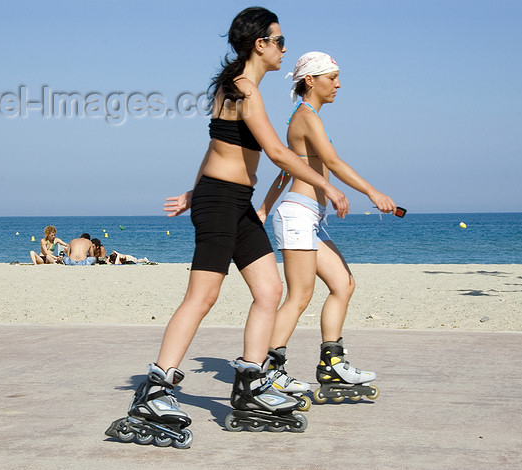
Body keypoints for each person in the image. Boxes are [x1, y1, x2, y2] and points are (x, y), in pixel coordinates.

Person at [106, 8, 349, 447]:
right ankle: (155, 391)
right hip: (221, 204)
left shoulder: (239, 87)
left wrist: (192, 190)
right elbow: (276, 152)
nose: (284, 48)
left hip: (233, 202)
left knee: (270, 291)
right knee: (203, 296)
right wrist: (324, 186)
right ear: (260, 44)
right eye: (279, 40)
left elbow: (216, 145)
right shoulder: (242, 89)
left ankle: (250, 383)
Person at [256, 51, 396, 403]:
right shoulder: (305, 117)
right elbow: (331, 162)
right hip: (299, 215)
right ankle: (268, 369)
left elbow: (288, 169)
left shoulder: (308, 118)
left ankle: (331, 363)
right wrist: (371, 192)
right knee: (299, 296)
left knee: (343, 284)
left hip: (310, 218)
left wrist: (263, 208)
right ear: (310, 81)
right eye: (332, 77)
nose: (338, 84)